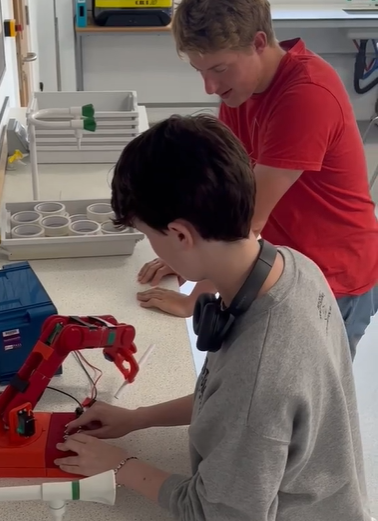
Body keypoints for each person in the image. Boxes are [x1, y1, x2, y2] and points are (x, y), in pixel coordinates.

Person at [55, 115, 371, 521]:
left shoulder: (260, 369)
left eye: (149, 236)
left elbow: (216, 513)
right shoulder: (293, 266)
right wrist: (137, 419)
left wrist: (120, 465)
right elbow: (228, 400)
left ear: (180, 235)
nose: (153, 248)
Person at [135, 0, 378, 360]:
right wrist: (187, 252)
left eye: (219, 69)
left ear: (259, 42)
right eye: (200, 71)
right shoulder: (240, 91)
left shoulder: (305, 95)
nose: (210, 86)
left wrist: (193, 294)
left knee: (308, 389)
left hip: (334, 273)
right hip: (282, 264)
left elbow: (244, 220)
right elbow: (226, 193)